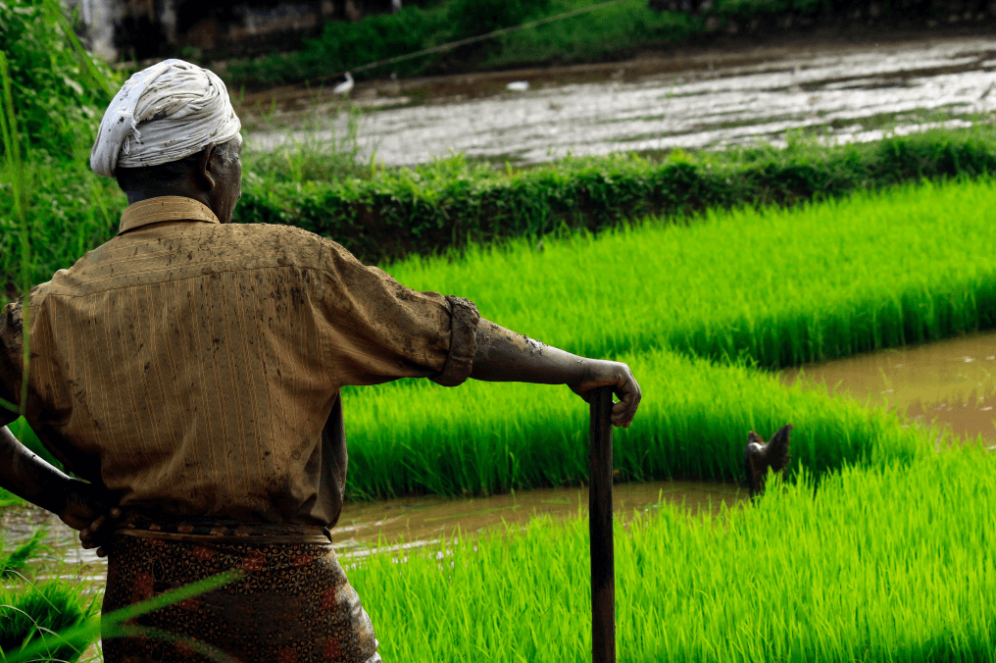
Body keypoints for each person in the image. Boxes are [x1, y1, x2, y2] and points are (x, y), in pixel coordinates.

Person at [0, 59, 641, 663]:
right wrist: (576, 367)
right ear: (208, 165)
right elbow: (441, 333)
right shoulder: (291, 266)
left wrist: (59, 495)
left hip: (147, 622)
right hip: (291, 611)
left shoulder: (53, 309)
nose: (237, 177)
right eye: (236, 158)